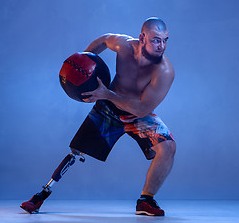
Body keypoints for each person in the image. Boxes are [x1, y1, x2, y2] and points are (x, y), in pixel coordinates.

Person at [20, 17, 176, 216]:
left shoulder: (165, 71)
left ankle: (146, 200)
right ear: (142, 38)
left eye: (165, 40)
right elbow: (103, 40)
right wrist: (84, 62)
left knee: (168, 147)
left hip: (137, 113)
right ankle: (41, 195)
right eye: (156, 40)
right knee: (76, 150)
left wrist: (106, 94)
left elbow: (142, 109)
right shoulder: (124, 45)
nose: (161, 46)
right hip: (108, 108)